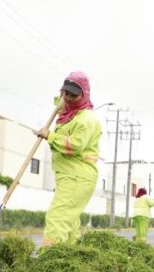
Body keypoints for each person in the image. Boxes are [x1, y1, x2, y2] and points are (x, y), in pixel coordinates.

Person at [36, 71, 102, 246]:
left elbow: (75, 145)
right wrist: (59, 102)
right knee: (70, 222)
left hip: (78, 176)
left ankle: (47, 260)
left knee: (57, 217)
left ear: (84, 95)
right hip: (67, 174)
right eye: (66, 93)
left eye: (74, 95)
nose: (69, 98)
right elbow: (61, 102)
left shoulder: (86, 119)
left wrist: (50, 136)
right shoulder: (67, 112)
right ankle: (71, 257)